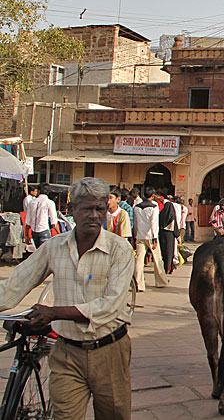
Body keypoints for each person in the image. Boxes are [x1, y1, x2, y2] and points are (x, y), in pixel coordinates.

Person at [0, 178, 135, 419]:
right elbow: (14, 285)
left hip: (110, 350)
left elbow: (111, 305)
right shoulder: (54, 247)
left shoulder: (119, 249)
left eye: (100, 209)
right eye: (86, 209)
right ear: (71, 210)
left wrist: (55, 312)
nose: (94, 216)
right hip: (67, 353)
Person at [134, 187, 168, 291]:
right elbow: (154, 223)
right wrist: (154, 237)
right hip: (150, 236)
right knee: (157, 259)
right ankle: (161, 281)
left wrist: (135, 235)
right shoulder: (154, 206)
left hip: (140, 235)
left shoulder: (137, 207)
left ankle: (138, 283)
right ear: (152, 196)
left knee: (139, 260)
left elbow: (136, 223)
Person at [25, 183, 61, 248]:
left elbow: (27, 221)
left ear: (38, 191)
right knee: (46, 254)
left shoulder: (32, 202)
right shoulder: (50, 203)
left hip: (34, 232)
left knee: (38, 253)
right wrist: (60, 235)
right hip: (44, 231)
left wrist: (26, 235)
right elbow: (54, 222)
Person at [158, 193, 177, 275]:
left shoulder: (161, 214)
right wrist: (177, 234)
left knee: (164, 251)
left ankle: (167, 267)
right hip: (169, 234)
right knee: (169, 252)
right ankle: (168, 268)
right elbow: (174, 224)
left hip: (162, 233)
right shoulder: (171, 216)